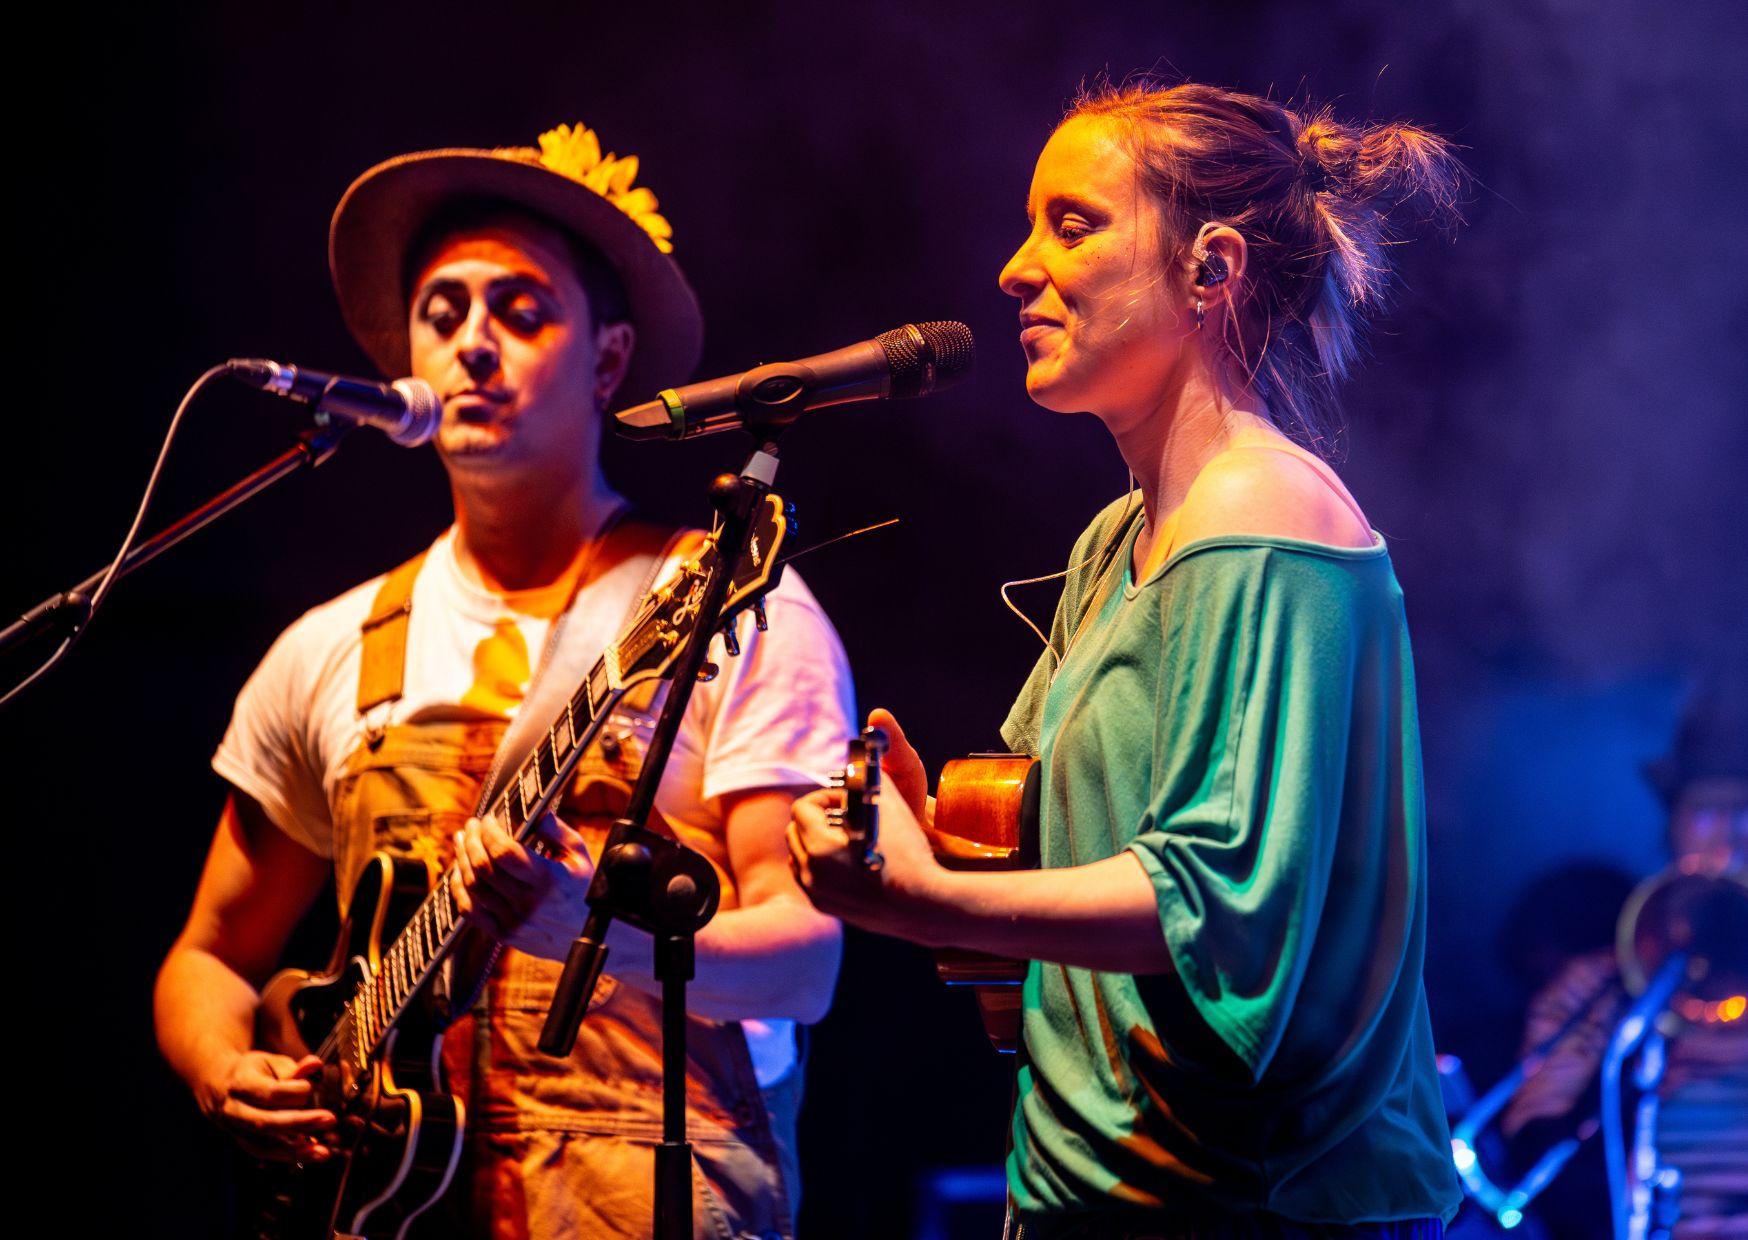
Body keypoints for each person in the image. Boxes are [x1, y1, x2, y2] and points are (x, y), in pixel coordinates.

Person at [789, 79, 1468, 1238]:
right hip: (1090, 1191)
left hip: (1244, 1205)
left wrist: (926, 895)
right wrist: (932, 826)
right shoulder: (1118, 536)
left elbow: (1216, 902)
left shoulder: (1261, 516)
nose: (1013, 267)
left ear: (1209, 270)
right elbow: (1071, 859)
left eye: (1071, 223)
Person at [153, 121, 854, 1238]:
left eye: (520, 311)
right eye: (443, 314)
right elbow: (208, 957)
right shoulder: (330, 646)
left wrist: (592, 928)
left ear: (609, 357)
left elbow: (804, 965)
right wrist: (219, 1066)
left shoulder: (725, 602)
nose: (473, 343)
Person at [1501, 680, 1747, 1239]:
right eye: (1710, 811)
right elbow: (1532, 1136)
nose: (1731, 837)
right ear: (1672, 828)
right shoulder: (1598, 987)